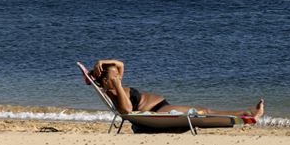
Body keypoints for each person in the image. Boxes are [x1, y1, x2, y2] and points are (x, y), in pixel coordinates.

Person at [89, 59, 264, 118]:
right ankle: (247, 113)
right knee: (202, 111)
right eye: (114, 76)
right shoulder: (113, 91)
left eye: (117, 75)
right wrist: (118, 84)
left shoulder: (114, 83)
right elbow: (126, 110)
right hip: (159, 111)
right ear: (105, 81)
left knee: (202, 110)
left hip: (162, 105)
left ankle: (246, 113)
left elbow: (120, 64)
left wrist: (103, 63)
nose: (118, 76)